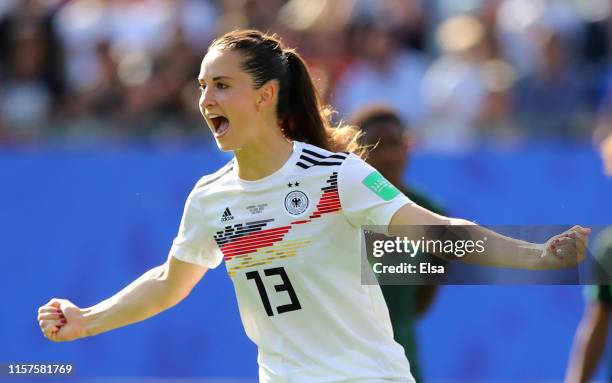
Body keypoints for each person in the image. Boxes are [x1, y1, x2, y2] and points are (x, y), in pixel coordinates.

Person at [37, 29, 590, 383]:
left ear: (264, 95)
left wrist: (537, 256)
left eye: (221, 85)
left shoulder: (336, 177)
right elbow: (167, 283)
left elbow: (439, 233)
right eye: (202, 87)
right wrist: (87, 321)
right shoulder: (210, 198)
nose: (206, 100)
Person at [350, 105, 447, 382]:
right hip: (343, 361)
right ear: (356, 152)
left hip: (401, 361)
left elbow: (423, 299)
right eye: (377, 146)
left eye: (396, 144)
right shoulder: (338, 208)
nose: (390, 156)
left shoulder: (430, 211)